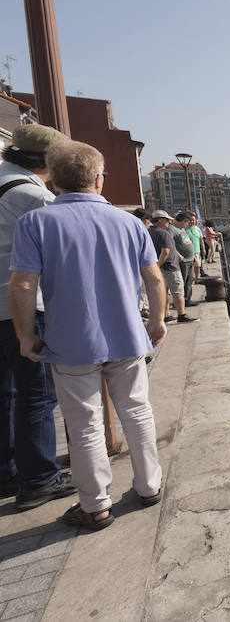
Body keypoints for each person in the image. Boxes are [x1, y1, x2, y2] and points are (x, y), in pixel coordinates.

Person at [9, 140, 167, 529]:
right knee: (137, 411)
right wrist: (158, 320)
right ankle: (149, 486)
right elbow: (154, 276)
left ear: (54, 179)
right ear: (98, 179)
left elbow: (24, 285)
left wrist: (25, 335)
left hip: (70, 341)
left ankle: (95, 504)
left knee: (84, 423)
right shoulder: (131, 223)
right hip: (127, 337)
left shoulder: (36, 223)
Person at [0, 124, 76, 510]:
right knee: (37, 393)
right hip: (23, 306)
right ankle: (40, 479)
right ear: (50, 161)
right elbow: (74, 236)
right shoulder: (31, 195)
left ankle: (9, 470)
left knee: (6, 392)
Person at [148, 210, 196, 323]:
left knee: (164, 292)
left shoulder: (150, 231)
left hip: (159, 266)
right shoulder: (163, 233)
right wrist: (158, 265)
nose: (169, 222)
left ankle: (166, 315)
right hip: (170, 266)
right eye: (167, 220)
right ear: (160, 220)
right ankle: (182, 314)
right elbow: (165, 251)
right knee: (178, 291)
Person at [170, 212, 197, 307]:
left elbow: (186, 242)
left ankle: (187, 300)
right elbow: (170, 244)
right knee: (183, 281)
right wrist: (178, 255)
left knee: (190, 280)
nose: (188, 225)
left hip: (189, 259)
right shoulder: (172, 229)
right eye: (187, 223)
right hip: (183, 261)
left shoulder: (182, 229)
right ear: (183, 221)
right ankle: (179, 302)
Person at [185, 213, 204, 279]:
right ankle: (190, 279)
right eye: (190, 220)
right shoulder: (184, 229)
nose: (191, 221)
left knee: (197, 265)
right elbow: (184, 241)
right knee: (190, 267)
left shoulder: (197, 229)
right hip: (188, 251)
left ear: (195, 220)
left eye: (193, 220)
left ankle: (197, 278)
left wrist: (203, 249)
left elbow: (201, 239)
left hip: (197, 251)